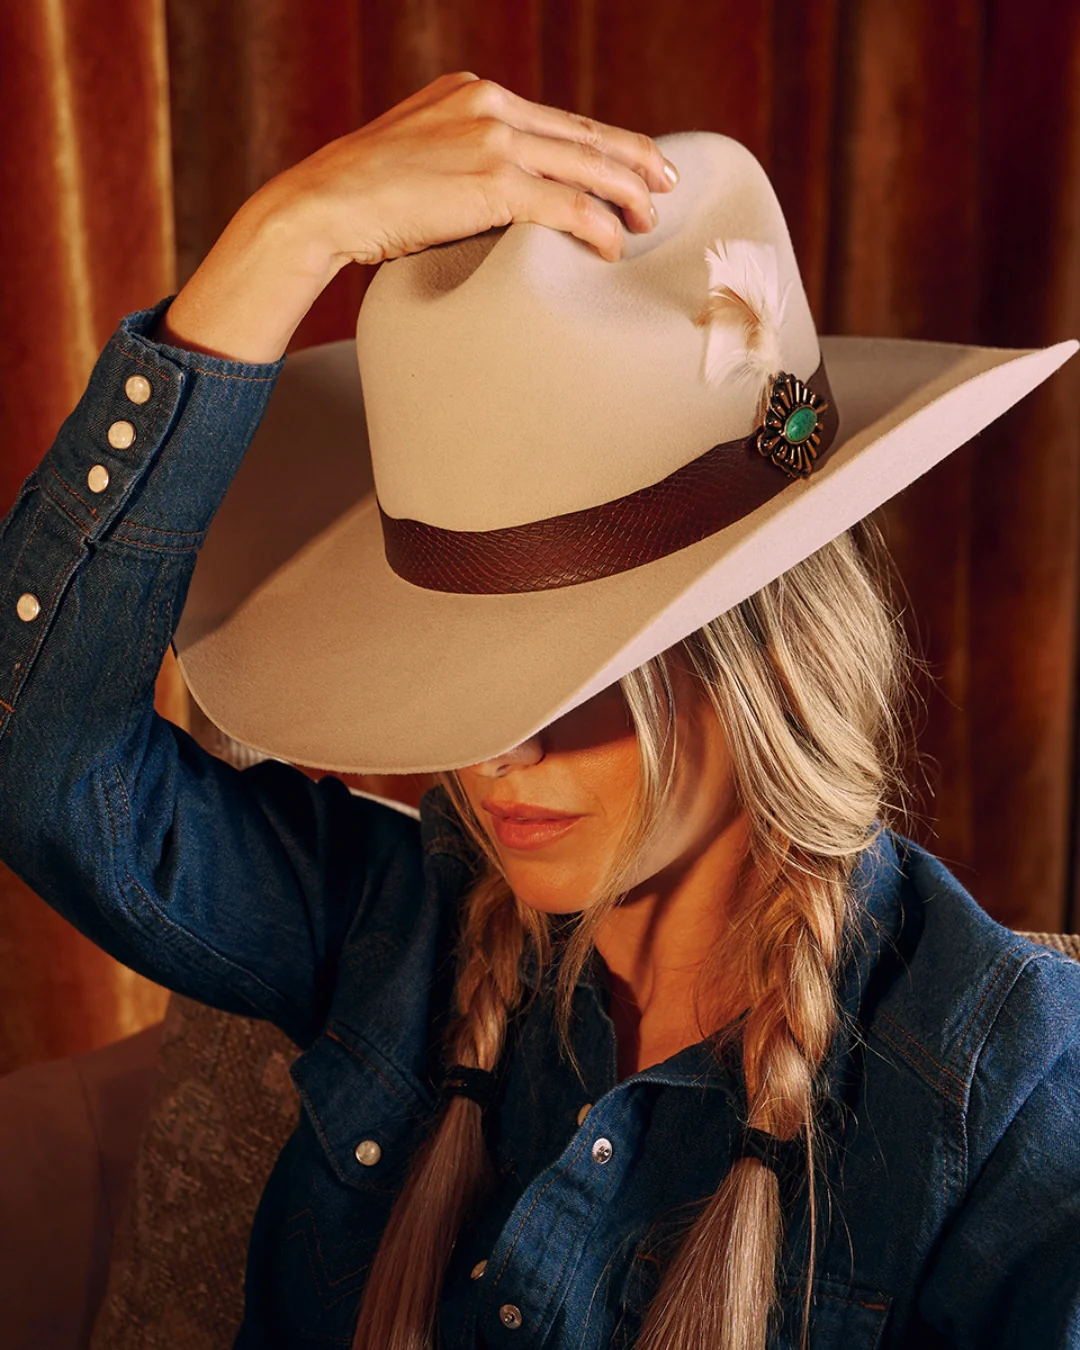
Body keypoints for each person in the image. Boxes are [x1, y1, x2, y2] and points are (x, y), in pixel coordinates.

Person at [0, 69, 1078, 1350]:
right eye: (465, 663)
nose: (497, 749)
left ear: (763, 649)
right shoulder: (398, 927)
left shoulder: (995, 1077)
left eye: (573, 667)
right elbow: (43, 765)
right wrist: (282, 240)